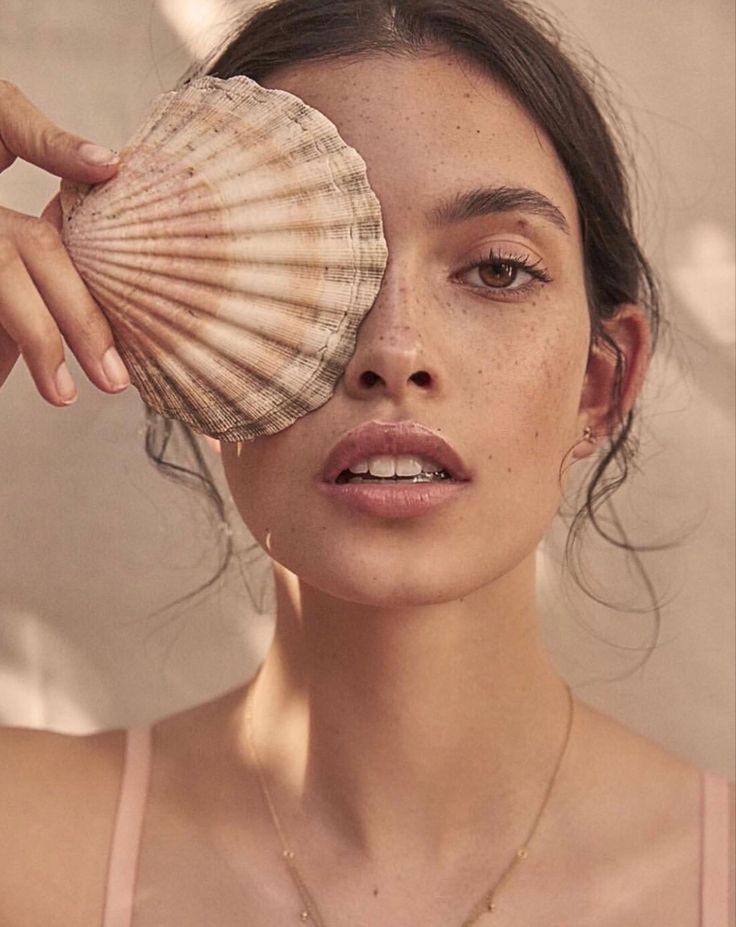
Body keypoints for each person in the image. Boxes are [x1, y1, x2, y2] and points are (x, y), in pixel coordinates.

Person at [0, 1, 732, 925]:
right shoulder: (19, 846)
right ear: (183, 345)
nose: (394, 348)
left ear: (601, 383)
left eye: (497, 270)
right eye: (301, 268)